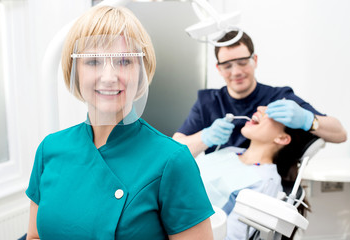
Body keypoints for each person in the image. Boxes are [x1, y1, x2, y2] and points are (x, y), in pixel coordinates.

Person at [26, 5, 214, 240]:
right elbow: (34, 236)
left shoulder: (172, 161)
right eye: (93, 61)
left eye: (124, 61)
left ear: (142, 71)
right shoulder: (49, 149)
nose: (109, 77)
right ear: (74, 71)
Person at [173, 31, 347, 157]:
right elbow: (175, 149)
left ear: (254, 60)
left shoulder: (279, 97)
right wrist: (204, 137)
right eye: (227, 66)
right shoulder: (208, 102)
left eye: (242, 63)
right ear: (218, 69)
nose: (236, 72)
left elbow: (340, 134)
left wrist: (308, 120)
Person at [196, 106, 313, 240]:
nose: (259, 109)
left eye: (272, 113)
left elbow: (233, 237)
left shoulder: (267, 182)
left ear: (282, 138)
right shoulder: (231, 151)